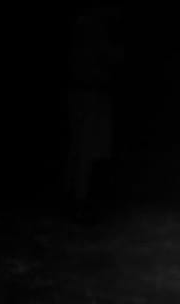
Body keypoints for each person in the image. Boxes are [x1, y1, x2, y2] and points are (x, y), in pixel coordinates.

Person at [66, 6, 124, 222]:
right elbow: (110, 57)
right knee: (85, 150)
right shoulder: (93, 27)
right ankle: (79, 201)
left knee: (80, 149)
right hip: (90, 92)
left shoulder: (83, 25)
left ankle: (76, 198)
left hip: (84, 91)